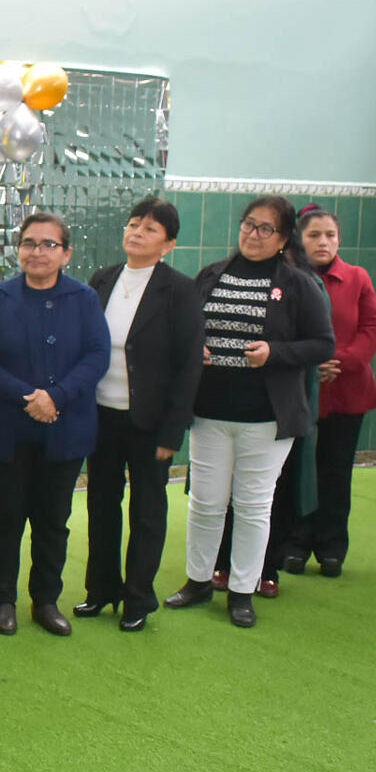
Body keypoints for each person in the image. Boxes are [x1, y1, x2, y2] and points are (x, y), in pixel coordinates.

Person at [164, 196, 333, 628]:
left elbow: (322, 345)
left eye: (265, 229)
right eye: (248, 225)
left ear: (282, 239)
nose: (253, 235)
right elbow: (188, 328)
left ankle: (242, 590)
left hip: (266, 418)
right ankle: (199, 580)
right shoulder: (212, 275)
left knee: (254, 505)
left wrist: (274, 352)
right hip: (209, 413)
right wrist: (193, 348)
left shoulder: (298, 284)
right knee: (206, 503)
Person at [0, 212, 110, 637]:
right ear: (18, 250)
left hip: (65, 425)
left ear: (66, 254)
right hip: (6, 426)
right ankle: (2, 600)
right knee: (5, 514)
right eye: (29, 243)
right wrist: (28, 398)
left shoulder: (84, 299)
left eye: (48, 244)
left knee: (53, 518)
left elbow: (96, 356)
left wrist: (56, 397)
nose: (37, 252)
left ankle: (46, 599)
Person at [78, 197, 203, 631]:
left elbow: (189, 365)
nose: (137, 233)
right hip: (101, 415)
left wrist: (174, 430)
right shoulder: (103, 279)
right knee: (101, 504)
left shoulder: (180, 290)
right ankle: (101, 590)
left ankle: (138, 598)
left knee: (147, 510)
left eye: (150, 229)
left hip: (150, 422)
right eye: (134, 224)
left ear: (168, 244)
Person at [285, 205, 376, 578]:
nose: (323, 242)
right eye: (314, 235)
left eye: (330, 235)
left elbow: (370, 329)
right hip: (301, 391)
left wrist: (337, 361)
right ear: (299, 240)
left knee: (336, 470)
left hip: (347, 389)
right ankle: (294, 543)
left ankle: (331, 547)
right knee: (297, 469)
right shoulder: (289, 279)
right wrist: (311, 364)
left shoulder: (357, 278)